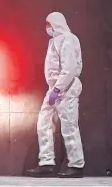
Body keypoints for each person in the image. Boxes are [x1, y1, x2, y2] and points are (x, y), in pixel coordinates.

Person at [26, 12, 84, 178]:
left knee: (69, 126)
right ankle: (46, 162)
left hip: (66, 87)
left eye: (48, 24)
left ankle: (76, 165)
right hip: (55, 89)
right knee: (44, 123)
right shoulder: (54, 41)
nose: (47, 27)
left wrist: (58, 89)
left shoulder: (68, 39)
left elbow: (70, 67)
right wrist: (55, 89)